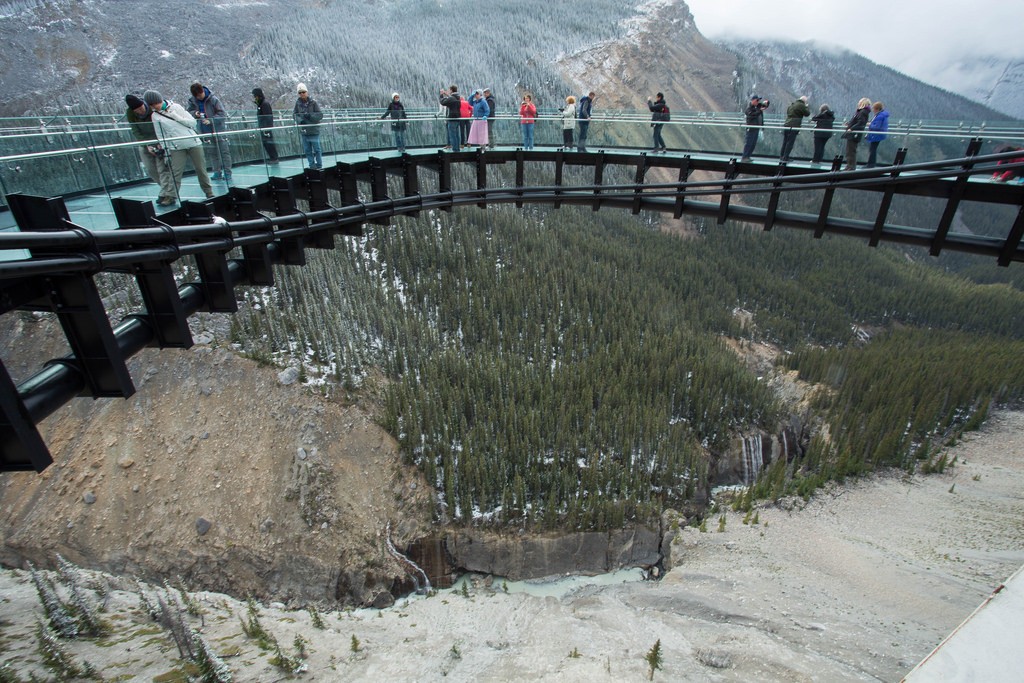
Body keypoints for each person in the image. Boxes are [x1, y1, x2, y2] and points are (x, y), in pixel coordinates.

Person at [143, 90, 214, 201]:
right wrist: (166, 149)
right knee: (175, 172)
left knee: (201, 169)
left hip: (193, 142)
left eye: (155, 103)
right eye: (151, 105)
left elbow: (192, 122)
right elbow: (160, 134)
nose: (155, 106)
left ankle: (208, 192)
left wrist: (176, 116)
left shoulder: (176, 107)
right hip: (176, 146)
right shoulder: (155, 116)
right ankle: (171, 196)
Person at [124, 93, 176, 205]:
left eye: (141, 108)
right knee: (151, 169)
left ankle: (167, 194)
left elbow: (161, 125)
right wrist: (147, 144)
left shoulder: (152, 110)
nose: (140, 111)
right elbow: (135, 130)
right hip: (145, 142)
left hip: (159, 140)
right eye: (137, 110)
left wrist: (160, 142)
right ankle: (165, 190)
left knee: (162, 169)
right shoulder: (131, 114)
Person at [187, 82, 232, 180]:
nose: (199, 98)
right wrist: (196, 113)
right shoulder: (193, 101)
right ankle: (217, 172)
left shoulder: (213, 99)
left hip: (218, 130)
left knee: (224, 152)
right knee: (212, 153)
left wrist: (211, 120)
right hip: (205, 131)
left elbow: (222, 114)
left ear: (202, 91)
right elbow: (189, 112)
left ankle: (228, 172)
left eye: (200, 95)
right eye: (197, 96)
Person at [293, 83, 323, 169]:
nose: (302, 94)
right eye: (300, 92)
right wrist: (300, 121)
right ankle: (312, 166)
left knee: (317, 149)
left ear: (307, 92)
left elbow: (320, 115)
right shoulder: (298, 104)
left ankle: (319, 165)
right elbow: (294, 115)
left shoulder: (313, 103)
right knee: (307, 150)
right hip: (304, 131)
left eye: (303, 92)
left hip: (313, 130)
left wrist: (310, 116)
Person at [843, 97, 872, 171]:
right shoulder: (863, 112)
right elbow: (858, 122)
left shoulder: (862, 112)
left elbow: (860, 123)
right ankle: (849, 166)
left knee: (850, 151)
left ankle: (851, 167)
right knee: (850, 151)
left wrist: (851, 128)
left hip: (853, 134)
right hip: (854, 134)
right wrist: (849, 124)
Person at [251, 87, 279, 163]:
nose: (254, 98)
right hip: (263, 128)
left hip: (266, 129)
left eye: (255, 96)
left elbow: (268, 117)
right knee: (266, 144)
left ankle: (274, 158)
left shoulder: (264, 104)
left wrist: (267, 128)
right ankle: (272, 158)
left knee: (269, 143)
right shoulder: (260, 104)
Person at [779, 95, 810, 162]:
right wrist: (806, 107)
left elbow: (788, 112)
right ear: (804, 101)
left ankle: (782, 156)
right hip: (794, 125)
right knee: (790, 142)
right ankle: (785, 157)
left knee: (785, 141)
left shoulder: (792, 105)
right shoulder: (801, 105)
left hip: (787, 124)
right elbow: (807, 114)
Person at [741, 94, 769, 161]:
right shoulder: (749, 109)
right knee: (749, 143)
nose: (758, 101)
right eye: (757, 100)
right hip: (751, 128)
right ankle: (745, 157)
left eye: (758, 100)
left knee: (753, 144)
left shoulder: (757, 107)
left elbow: (765, 105)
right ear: (753, 100)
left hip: (756, 128)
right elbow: (752, 115)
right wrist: (760, 111)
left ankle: (748, 156)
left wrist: (766, 103)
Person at [865, 101, 890, 168]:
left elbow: (876, 127)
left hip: (876, 135)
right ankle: (871, 164)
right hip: (879, 135)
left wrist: (869, 125)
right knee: (873, 149)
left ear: (877, 109)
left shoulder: (879, 116)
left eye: (874, 109)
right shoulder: (882, 115)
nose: (873, 110)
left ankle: (870, 164)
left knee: (872, 149)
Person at [439, 85, 462, 151]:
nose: (448, 91)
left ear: (451, 90)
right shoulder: (457, 97)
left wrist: (441, 95)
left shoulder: (452, 98)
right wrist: (447, 95)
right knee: (457, 135)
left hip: (452, 118)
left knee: (452, 135)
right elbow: (451, 100)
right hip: (457, 118)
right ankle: (457, 149)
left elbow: (442, 102)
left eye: (449, 90)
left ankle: (455, 150)